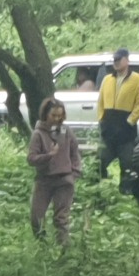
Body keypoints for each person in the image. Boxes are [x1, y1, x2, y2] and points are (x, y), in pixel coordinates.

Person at [27, 98, 81, 245]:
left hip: (64, 180)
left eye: (60, 116)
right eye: (53, 115)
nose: (57, 119)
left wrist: (74, 173)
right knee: (36, 217)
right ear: (45, 114)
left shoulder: (66, 131)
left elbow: (75, 153)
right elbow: (31, 159)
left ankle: (64, 249)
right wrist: (48, 156)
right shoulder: (38, 134)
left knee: (61, 219)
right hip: (44, 180)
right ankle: (42, 246)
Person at [96, 48, 139, 181]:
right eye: (114, 60)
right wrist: (102, 119)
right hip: (108, 129)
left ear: (127, 60)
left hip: (126, 131)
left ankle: (126, 190)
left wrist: (129, 121)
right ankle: (102, 187)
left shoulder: (137, 79)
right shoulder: (107, 79)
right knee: (100, 162)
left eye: (119, 59)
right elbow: (100, 102)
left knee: (127, 164)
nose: (116, 62)